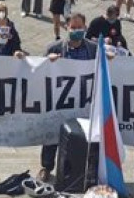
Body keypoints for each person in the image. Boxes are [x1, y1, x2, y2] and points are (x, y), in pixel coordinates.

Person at [37, 13, 96, 182]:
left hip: (82, 102)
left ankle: (73, 170)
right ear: (66, 28)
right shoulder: (54, 48)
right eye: (73, 27)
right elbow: (38, 72)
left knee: (79, 137)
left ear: (85, 28)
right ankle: (46, 167)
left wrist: (111, 58)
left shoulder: (93, 49)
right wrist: (47, 62)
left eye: (80, 27)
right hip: (58, 102)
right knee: (52, 136)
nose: (76, 30)